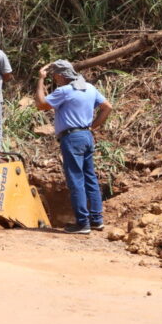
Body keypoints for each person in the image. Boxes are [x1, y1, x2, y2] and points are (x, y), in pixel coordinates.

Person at [35, 59, 113, 234]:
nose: (55, 80)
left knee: (76, 179)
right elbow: (107, 107)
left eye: (56, 77)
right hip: (86, 136)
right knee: (90, 177)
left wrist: (40, 79)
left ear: (61, 76)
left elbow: (41, 104)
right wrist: (93, 126)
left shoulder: (65, 91)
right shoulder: (90, 88)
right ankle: (96, 220)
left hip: (71, 138)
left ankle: (82, 223)